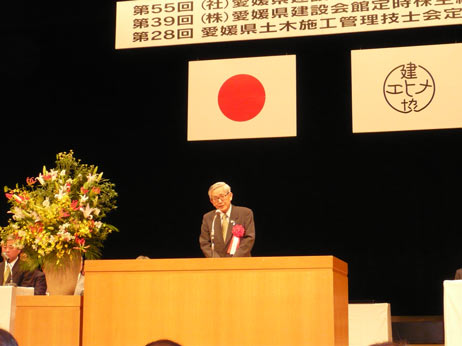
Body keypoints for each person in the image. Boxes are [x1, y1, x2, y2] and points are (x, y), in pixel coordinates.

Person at [199, 182, 255, 257]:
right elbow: (204, 243)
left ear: (230, 196)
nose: (219, 201)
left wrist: (233, 260)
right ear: (212, 201)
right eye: (215, 198)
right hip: (217, 265)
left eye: (222, 196)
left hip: (240, 263)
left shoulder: (245, 213)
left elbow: (249, 238)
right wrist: (218, 261)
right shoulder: (208, 218)